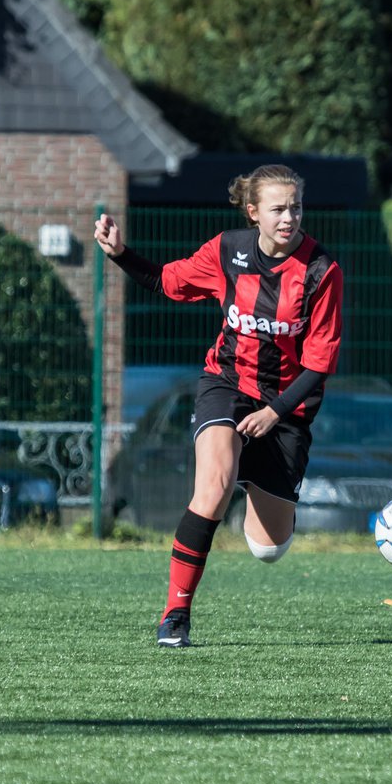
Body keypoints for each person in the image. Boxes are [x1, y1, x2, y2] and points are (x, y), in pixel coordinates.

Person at [93, 165, 344, 648]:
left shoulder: (321, 271)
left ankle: (253, 475)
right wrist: (120, 253)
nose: (289, 217)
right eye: (278, 209)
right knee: (211, 487)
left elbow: (319, 364)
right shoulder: (228, 251)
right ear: (253, 213)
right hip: (225, 384)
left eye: (296, 207)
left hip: (286, 408)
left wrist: (275, 413)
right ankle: (175, 616)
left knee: (269, 548)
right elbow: (167, 281)